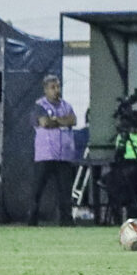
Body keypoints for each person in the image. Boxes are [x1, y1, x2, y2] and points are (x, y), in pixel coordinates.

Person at [32, 73, 82, 225]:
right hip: (45, 154)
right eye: (52, 87)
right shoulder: (40, 105)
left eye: (58, 87)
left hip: (64, 155)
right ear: (46, 90)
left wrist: (56, 120)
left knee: (65, 191)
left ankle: (66, 220)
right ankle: (32, 219)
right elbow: (45, 123)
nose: (56, 90)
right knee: (37, 190)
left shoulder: (66, 105)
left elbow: (73, 120)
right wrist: (63, 121)